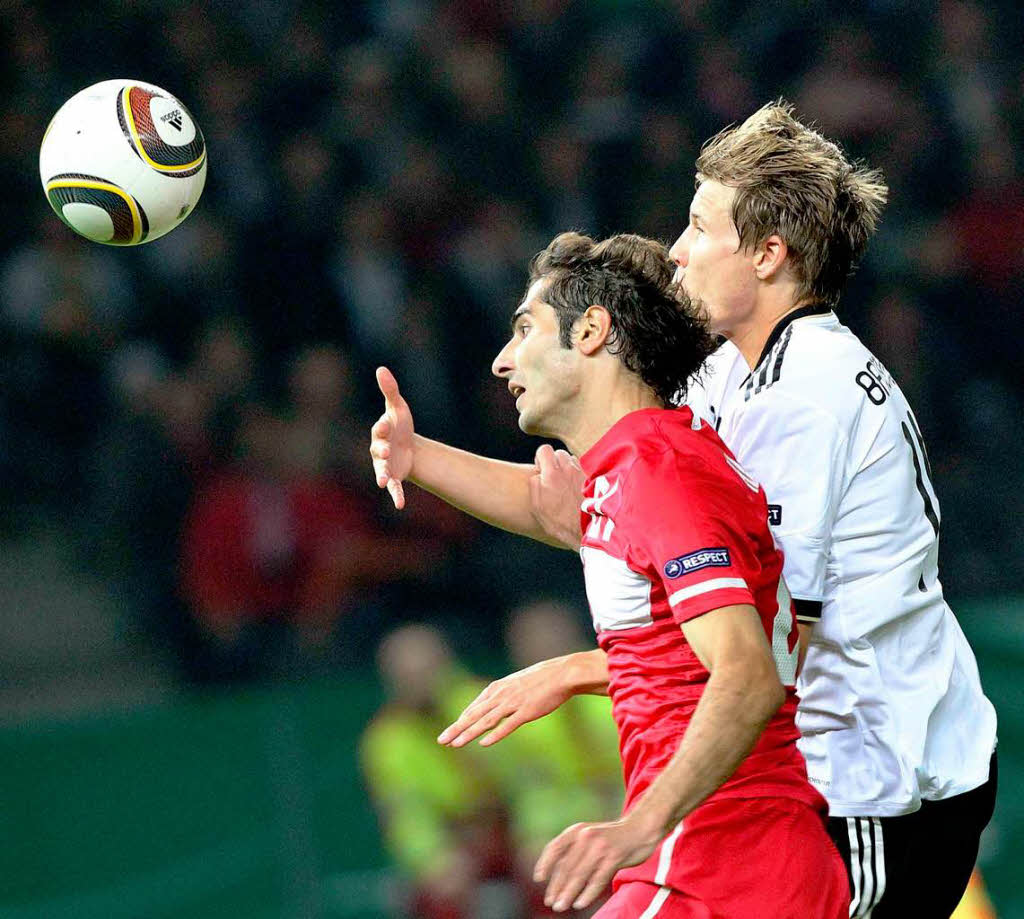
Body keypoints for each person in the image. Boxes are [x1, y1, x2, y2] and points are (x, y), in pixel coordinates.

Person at [378, 102, 997, 918]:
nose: (677, 249)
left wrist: (574, 675)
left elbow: (766, 646)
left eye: (701, 227)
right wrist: (420, 458)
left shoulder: (806, 397)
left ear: (770, 253)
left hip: (882, 786)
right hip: (818, 772)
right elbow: (585, 507)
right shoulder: (727, 375)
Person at [371, 231, 850, 918]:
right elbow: (557, 513)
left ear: (592, 330)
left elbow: (746, 671)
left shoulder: (657, 473)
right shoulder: (643, 467)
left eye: (525, 329)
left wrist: (638, 824)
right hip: (742, 858)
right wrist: (418, 457)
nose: (504, 361)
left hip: (716, 860)